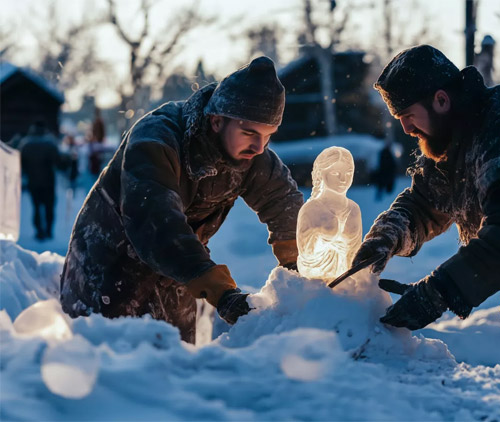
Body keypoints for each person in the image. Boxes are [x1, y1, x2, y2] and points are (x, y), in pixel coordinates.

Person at [352, 45, 500, 393]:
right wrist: (386, 236)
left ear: (441, 100)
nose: (405, 128)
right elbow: (424, 201)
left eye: (407, 114)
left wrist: (439, 291)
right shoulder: (458, 136)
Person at [60, 57, 303, 344]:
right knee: (114, 369)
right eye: (249, 132)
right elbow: (157, 223)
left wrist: (298, 262)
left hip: (181, 271)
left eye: (268, 136)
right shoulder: (155, 140)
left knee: (175, 367)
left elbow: (283, 202)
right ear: (216, 121)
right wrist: (222, 292)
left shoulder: (250, 154)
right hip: (109, 268)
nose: (258, 146)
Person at [297, 146, 361, 282]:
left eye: (349, 173)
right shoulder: (311, 209)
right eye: (336, 173)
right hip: (316, 280)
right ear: (321, 173)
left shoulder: (353, 209)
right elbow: (305, 254)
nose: (344, 179)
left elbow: (355, 253)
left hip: (345, 280)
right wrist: (320, 233)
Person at [19, 121, 61, 240]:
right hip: (48, 182)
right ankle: (48, 230)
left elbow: (21, 164)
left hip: (33, 182)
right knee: (49, 207)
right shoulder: (50, 144)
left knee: (36, 207)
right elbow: (58, 162)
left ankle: (39, 231)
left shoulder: (26, 144)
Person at [88, 107, 105, 175]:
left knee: (96, 156)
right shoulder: (96, 122)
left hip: (98, 142)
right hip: (96, 142)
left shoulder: (99, 122)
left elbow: (101, 132)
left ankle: (95, 170)